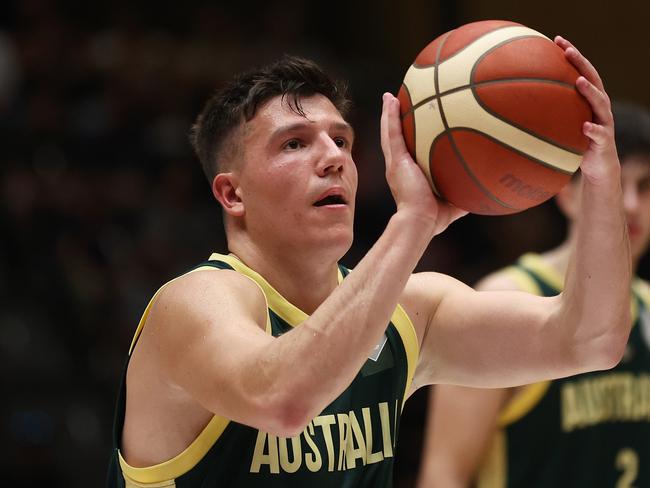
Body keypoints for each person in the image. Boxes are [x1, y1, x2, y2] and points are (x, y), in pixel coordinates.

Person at [107, 36, 630, 487]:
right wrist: (414, 223)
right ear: (232, 194)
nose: (334, 157)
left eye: (342, 140)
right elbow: (283, 400)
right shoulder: (196, 302)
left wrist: (601, 180)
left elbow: (591, 341)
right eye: (294, 143)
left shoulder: (410, 311)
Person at [416, 103, 650, 488]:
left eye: (645, 187)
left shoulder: (645, 308)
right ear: (567, 196)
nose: (631, 205)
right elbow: (444, 474)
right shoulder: (503, 297)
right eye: (616, 184)